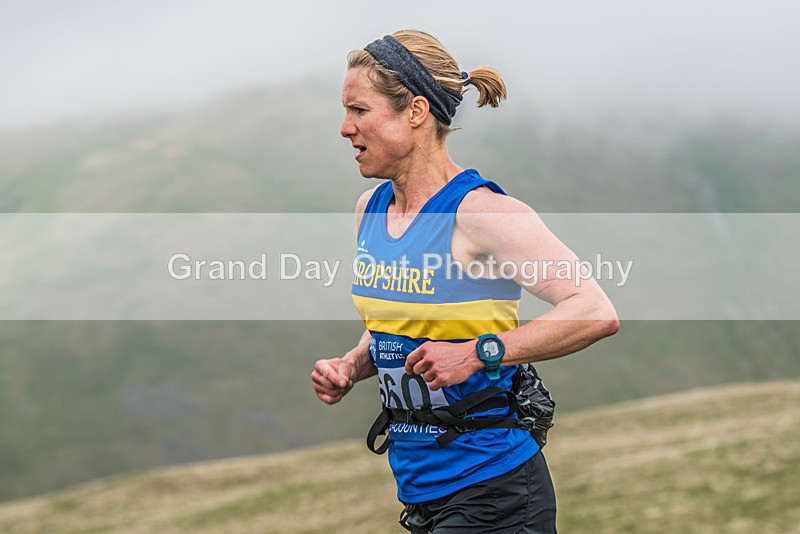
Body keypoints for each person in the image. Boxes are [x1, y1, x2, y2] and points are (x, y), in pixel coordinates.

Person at [312, 29, 619, 533]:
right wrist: (352, 365)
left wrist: (478, 352)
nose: (345, 128)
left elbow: (594, 310)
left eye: (359, 111)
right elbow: (399, 324)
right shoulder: (370, 211)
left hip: (495, 488)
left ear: (415, 112)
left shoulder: (482, 214)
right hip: (421, 491)